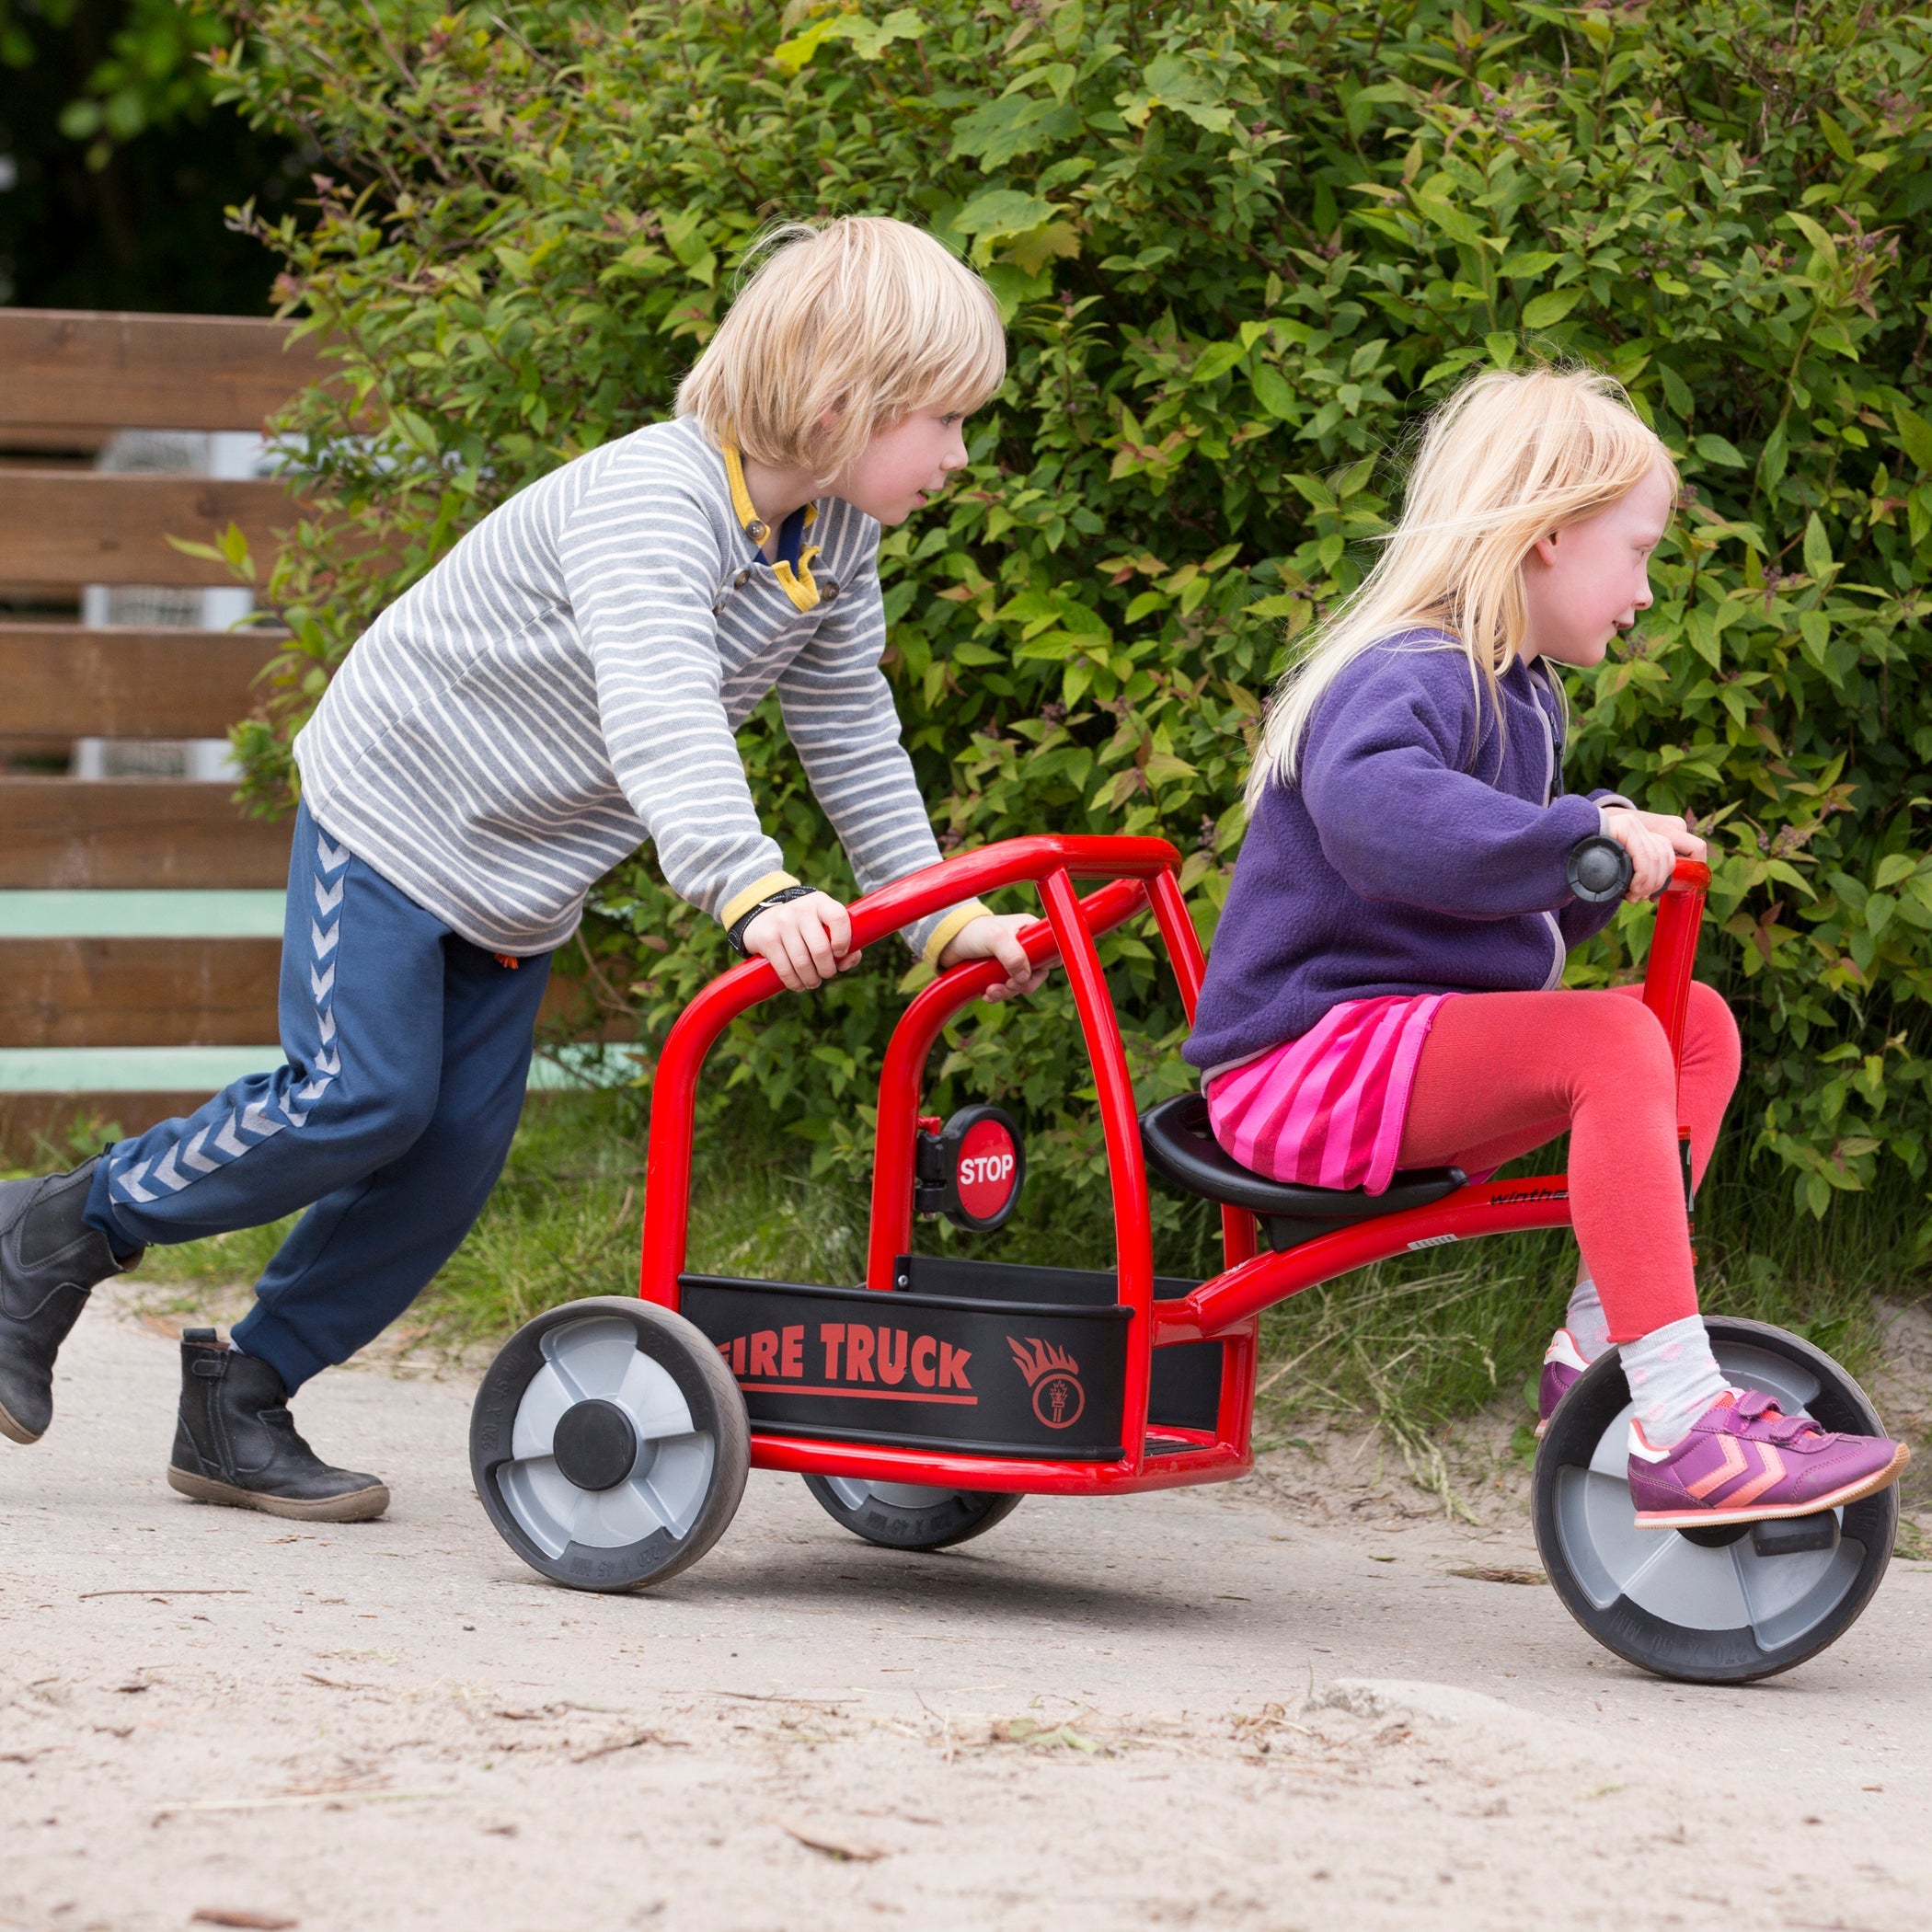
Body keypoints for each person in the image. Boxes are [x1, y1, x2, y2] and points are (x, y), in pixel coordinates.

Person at [0, 215, 1048, 1522]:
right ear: (842, 403)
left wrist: (939, 923)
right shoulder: (652, 503)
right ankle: (57, 1227)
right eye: (942, 420)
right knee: (359, 1098)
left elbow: (850, 736)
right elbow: (657, 705)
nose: (956, 456)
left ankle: (243, 1397)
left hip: (519, 874)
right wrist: (749, 883)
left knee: (448, 1158)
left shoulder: (834, 543)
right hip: (398, 815)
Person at [1188, 366, 1906, 1529]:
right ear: (1548, 536)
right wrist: (1578, 839)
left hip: (1398, 1051)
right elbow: (1385, 819)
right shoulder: (1407, 674)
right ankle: (1680, 1422)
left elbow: (1489, 907)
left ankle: (1599, 1345)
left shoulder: (1521, 696)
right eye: (1636, 552)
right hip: (1301, 1066)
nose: (1645, 590)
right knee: (1616, 1038)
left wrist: (1591, 862)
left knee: (1692, 1030)